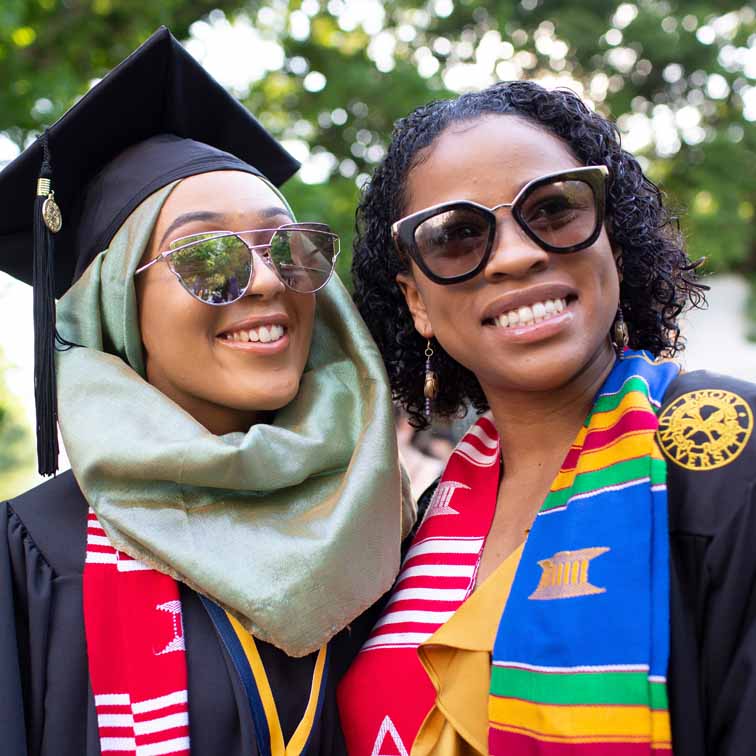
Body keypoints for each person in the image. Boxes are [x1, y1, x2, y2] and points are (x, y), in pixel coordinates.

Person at [0, 29, 413, 756]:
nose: (263, 282)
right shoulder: (35, 552)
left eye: (286, 247)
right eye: (207, 258)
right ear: (115, 306)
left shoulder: (385, 519)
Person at [338, 81, 756, 756]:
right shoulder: (413, 525)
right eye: (456, 235)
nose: (515, 254)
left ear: (611, 239)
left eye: (554, 208)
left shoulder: (727, 455)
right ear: (416, 301)